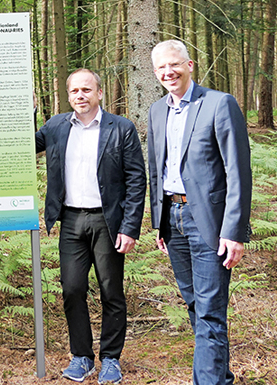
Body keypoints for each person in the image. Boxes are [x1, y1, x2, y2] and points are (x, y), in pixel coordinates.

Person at [147, 40, 251, 385]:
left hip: (209, 222)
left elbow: (238, 171)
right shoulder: (156, 110)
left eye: (174, 65)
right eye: (161, 68)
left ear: (190, 64)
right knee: (196, 305)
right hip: (173, 221)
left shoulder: (219, 104)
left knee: (209, 310)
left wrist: (234, 231)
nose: (168, 72)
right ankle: (218, 377)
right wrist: (159, 223)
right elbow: (155, 170)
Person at [35, 69, 146, 384]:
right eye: (74, 91)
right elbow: (27, 144)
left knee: (111, 291)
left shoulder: (121, 128)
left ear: (99, 93)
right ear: (68, 95)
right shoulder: (56, 126)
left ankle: (111, 359)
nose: (79, 96)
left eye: (86, 90)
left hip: (107, 221)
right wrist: (25, 110)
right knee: (72, 289)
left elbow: (137, 180)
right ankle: (81, 357)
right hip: (70, 220)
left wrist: (130, 227)